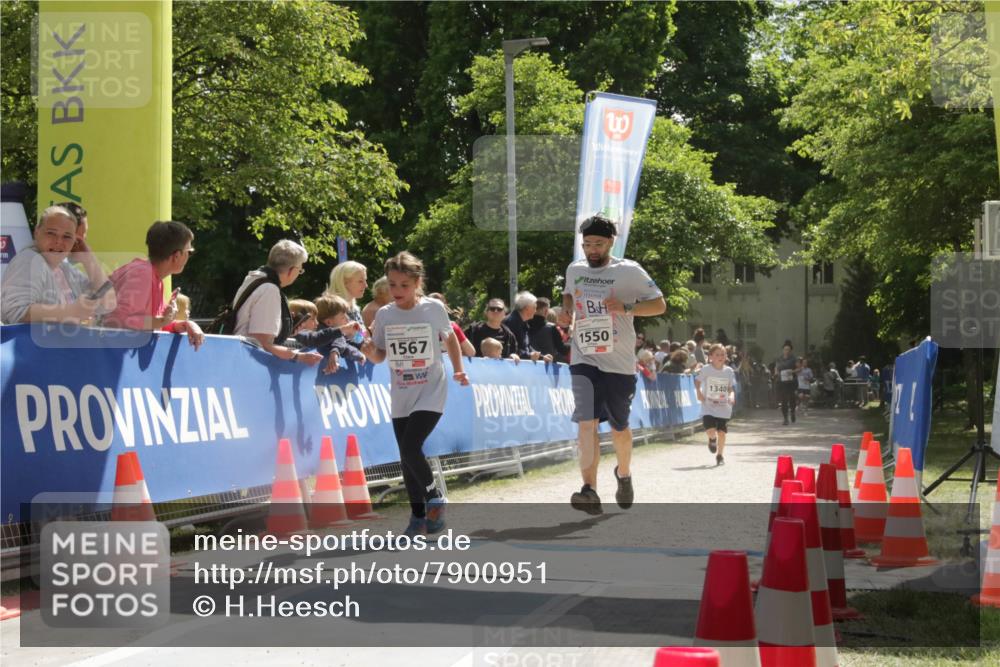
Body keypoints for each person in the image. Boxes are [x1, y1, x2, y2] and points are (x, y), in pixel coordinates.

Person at [563, 214, 666, 514]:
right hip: (584, 355)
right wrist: (566, 310)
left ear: (610, 242)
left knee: (620, 427)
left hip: (619, 362)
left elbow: (659, 304)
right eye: (586, 245)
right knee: (586, 423)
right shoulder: (576, 268)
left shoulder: (629, 271)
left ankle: (624, 473)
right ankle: (589, 490)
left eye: (597, 244)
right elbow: (569, 293)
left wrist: (626, 307)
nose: (591, 250)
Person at [362, 251, 469, 536]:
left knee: (411, 447)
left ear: (417, 282)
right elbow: (380, 356)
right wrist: (370, 351)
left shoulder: (433, 308)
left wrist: (458, 369)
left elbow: (451, 339)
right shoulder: (385, 314)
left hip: (431, 388)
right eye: (392, 285)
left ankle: (435, 496)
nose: (396, 291)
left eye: (403, 285)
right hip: (401, 392)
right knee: (406, 456)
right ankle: (419, 517)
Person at [2, 205, 116, 324]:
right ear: (37, 232)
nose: (58, 241)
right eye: (51, 233)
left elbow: (108, 304)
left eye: (67, 236)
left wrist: (89, 259)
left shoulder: (65, 270)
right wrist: (71, 312)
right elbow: (17, 312)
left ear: (75, 241)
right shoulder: (29, 260)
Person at [103, 220, 204, 349]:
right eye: (189, 252)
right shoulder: (143, 274)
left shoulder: (151, 275)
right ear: (177, 256)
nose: (189, 256)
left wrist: (183, 325)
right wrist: (161, 321)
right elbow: (118, 321)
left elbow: (146, 323)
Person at [231, 239, 323, 366]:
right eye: (300, 270)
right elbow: (262, 344)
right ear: (291, 270)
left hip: (239, 356)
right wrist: (298, 356)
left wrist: (286, 329)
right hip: (247, 364)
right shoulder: (270, 290)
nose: (299, 274)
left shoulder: (254, 278)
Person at [696, 343, 737, 466]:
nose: (721, 357)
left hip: (723, 407)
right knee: (710, 430)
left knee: (722, 433)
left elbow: (730, 388)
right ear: (711, 357)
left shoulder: (729, 371)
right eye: (717, 354)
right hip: (708, 405)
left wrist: (731, 396)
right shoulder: (706, 369)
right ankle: (712, 439)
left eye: (723, 354)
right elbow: (697, 381)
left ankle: (720, 455)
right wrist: (699, 393)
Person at [312, 294, 367, 374]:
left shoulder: (340, 330)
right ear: (329, 322)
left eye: (347, 315)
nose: (347, 319)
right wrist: (357, 355)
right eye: (343, 317)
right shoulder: (321, 333)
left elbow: (355, 342)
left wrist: (359, 333)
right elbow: (340, 341)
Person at [325, 261, 369, 352]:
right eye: (360, 281)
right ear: (345, 283)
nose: (366, 285)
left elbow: (358, 337)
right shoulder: (333, 309)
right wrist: (370, 331)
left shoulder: (353, 308)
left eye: (365, 280)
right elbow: (349, 342)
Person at [427, 292, 476, 357]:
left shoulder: (452, 327)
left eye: (438, 307)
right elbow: (471, 352)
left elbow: (471, 352)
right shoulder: (452, 327)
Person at [503, 291, 546, 361]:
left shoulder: (523, 322)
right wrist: (529, 355)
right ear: (527, 308)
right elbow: (511, 348)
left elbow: (526, 346)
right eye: (534, 307)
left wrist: (541, 356)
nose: (535, 311)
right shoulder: (511, 322)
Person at [528, 297, 570, 362]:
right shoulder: (551, 328)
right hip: (546, 367)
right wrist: (571, 340)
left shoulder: (523, 325)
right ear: (546, 311)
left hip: (526, 366)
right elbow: (563, 350)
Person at [773, 340, 798, 425]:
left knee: (792, 399)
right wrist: (776, 372)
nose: (786, 351)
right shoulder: (779, 358)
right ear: (783, 350)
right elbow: (776, 367)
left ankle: (793, 412)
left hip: (791, 382)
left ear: (790, 350)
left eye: (788, 349)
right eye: (785, 349)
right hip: (782, 382)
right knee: (784, 400)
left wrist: (792, 372)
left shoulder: (794, 359)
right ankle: (785, 418)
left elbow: (799, 369)